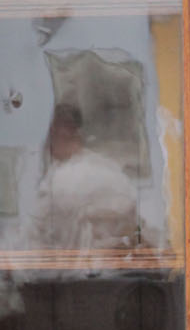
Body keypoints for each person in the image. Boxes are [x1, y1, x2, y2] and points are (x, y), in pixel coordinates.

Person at [26, 99, 141, 256]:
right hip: (113, 270)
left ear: (56, 131)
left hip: (76, 272)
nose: (44, 143)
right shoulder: (110, 170)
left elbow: (33, 237)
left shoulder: (58, 181)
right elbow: (134, 226)